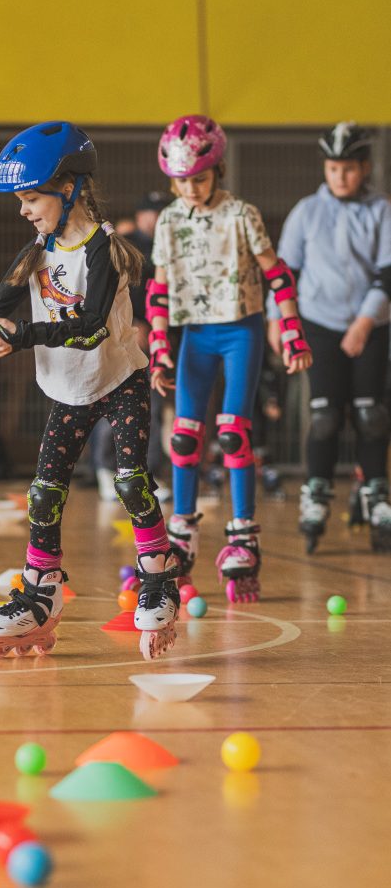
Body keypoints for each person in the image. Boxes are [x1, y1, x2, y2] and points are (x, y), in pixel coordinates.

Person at [0, 121, 180, 661]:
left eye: (31, 198)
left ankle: (159, 579)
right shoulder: (38, 249)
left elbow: (90, 328)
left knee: (131, 480)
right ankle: (42, 594)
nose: (24, 210)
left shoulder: (102, 249)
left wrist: (19, 337)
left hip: (120, 382)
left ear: (68, 189)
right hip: (70, 390)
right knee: (44, 493)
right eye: (21, 200)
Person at [149, 115, 312, 601]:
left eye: (199, 179)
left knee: (233, 433)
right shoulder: (169, 220)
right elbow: (159, 288)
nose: (191, 189)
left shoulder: (242, 213)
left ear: (217, 170)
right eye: (181, 181)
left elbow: (277, 273)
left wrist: (292, 331)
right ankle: (182, 532)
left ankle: (242, 537)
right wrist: (159, 346)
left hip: (241, 329)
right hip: (195, 334)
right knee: (183, 438)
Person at [268, 122, 391, 554]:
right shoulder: (307, 211)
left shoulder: (381, 209)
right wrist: (276, 320)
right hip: (318, 323)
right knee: (324, 417)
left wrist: (364, 322)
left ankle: (377, 497)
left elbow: (387, 272)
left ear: (364, 168)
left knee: (370, 414)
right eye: (333, 168)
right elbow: (285, 272)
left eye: (349, 168)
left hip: (371, 325)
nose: (340, 176)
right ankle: (316, 497)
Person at [91, 191, 174, 501]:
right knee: (113, 404)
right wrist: (132, 324)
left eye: (161, 212)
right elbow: (108, 291)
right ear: (139, 216)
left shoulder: (169, 247)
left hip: (159, 339)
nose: (156, 219)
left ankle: (146, 473)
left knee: (151, 406)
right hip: (122, 337)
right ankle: (106, 470)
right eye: (150, 212)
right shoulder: (124, 245)